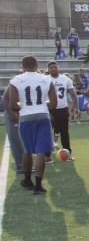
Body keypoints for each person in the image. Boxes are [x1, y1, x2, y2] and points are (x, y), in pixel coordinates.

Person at [10, 57, 56, 194]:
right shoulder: (46, 79)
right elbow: (53, 103)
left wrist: (24, 106)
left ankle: (27, 179)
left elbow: (13, 104)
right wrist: (41, 104)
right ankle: (38, 185)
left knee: (27, 150)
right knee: (41, 151)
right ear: (37, 65)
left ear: (23, 66)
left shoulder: (16, 80)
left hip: (25, 117)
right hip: (42, 115)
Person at [47, 61, 77, 159]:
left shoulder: (65, 79)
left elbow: (73, 94)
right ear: (48, 69)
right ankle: (47, 155)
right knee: (47, 132)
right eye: (51, 67)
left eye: (55, 67)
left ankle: (68, 153)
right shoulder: (45, 79)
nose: (53, 69)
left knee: (64, 132)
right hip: (49, 109)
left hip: (62, 109)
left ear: (58, 68)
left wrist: (74, 107)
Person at [3, 70, 27, 174]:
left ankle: (25, 164)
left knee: (24, 140)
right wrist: (13, 114)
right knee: (16, 140)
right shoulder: (16, 82)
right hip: (13, 113)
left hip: (22, 113)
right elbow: (5, 100)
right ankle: (20, 166)